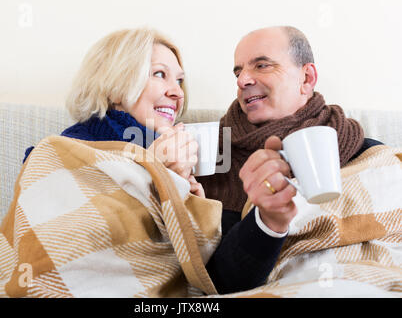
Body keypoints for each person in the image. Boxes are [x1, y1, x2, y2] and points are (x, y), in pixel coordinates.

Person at [22, 27, 285, 295]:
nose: (177, 93)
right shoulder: (62, 151)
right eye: (160, 74)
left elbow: (197, 270)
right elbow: (69, 241)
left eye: (180, 81)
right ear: (115, 87)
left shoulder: (179, 157)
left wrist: (181, 193)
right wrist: (152, 175)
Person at [198, 26, 383, 292]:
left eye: (261, 65)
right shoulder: (213, 162)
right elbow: (218, 283)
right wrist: (268, 221)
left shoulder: (367, 153)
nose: (242, 81)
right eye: (238, 72)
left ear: (307, 78)